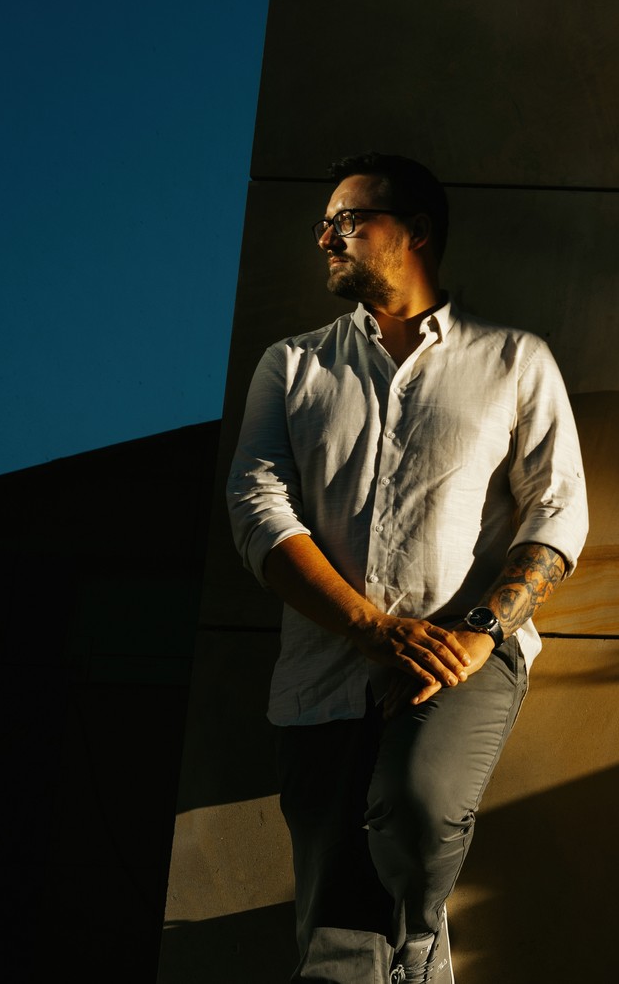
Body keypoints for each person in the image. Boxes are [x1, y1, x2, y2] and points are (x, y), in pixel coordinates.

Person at [227, 152, 588, 984]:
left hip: (462, 659)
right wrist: (370, 628)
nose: (326, 237)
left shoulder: (514, 359)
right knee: (334, 933)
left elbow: (558, 510)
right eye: (325, 223)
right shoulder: (291, 365)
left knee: (419, 806)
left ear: (416, 230)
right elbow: (257, 510)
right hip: (323, 670)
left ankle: (421, 937)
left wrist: (480, 634)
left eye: (348, 220)